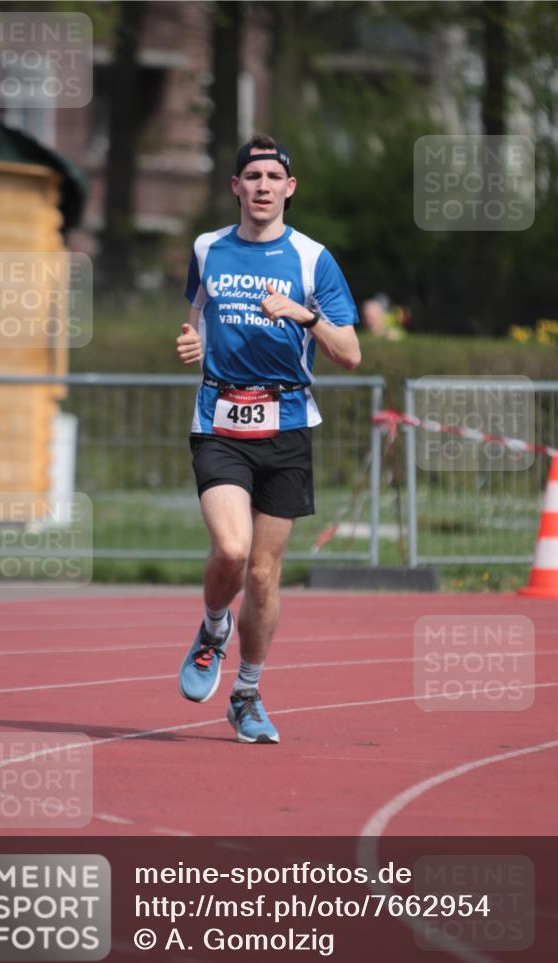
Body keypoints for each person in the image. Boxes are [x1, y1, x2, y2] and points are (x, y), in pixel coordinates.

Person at [176, 133, 361, 744]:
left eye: (271, 178)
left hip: (286, 426)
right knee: (231, 550)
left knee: (262, 575)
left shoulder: (313, 259)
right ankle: (211, 631)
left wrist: (305, 315)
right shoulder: (207, 249)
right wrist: (193, 345)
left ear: (289, 188)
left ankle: (247, 694)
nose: (261, 187)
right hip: (219, 421)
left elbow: (351, 354)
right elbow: (196, 317)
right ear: (235, 187)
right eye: (250, 177)